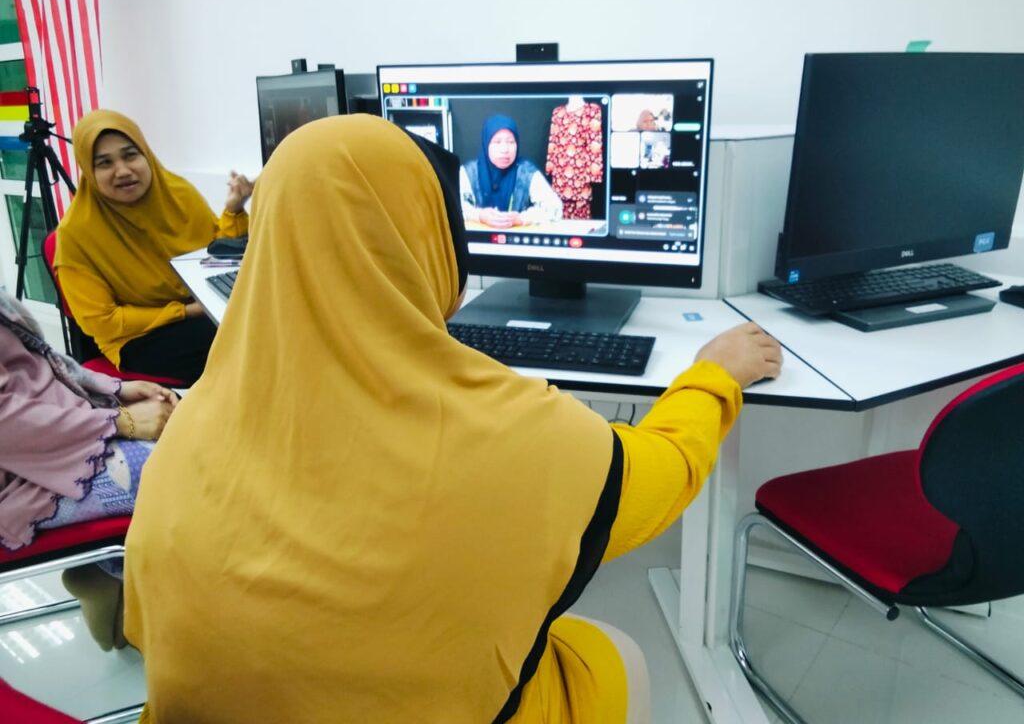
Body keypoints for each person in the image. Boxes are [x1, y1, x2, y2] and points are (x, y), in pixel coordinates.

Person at [123, 115, 782, 723]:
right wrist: (714, 374)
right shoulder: (522, 436)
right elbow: (665, 472)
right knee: (614, 655)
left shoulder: (188, 425)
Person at [0, 291, 177, 649]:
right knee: (188, 468)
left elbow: (37, 357)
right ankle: (124, 581)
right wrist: (119, 421)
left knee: (192, 433)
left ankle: (108, 573)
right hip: (25, 473)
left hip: (56, 431)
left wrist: (113, 389)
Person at [54, 109, 254, 385]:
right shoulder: (76, 234)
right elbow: (102, 321)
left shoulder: (178, 193)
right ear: (89, 171)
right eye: (104, 163)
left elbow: (215, 253)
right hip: (137, 337)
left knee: (263, 319)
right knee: (242, 342)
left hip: (200, 308)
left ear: (146, 154)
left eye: (130, 155)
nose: (123, 171)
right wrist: (185, 311)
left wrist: (233, 210)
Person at [460, 114, 563, 228]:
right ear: (486, 144)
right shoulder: (469, 172)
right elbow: (452, 206)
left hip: (516, 237)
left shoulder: (526, 171)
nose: (505, 149)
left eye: (510, 142)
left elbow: (555, 208)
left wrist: (521, 218)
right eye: (497, 142)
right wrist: (479, 215)